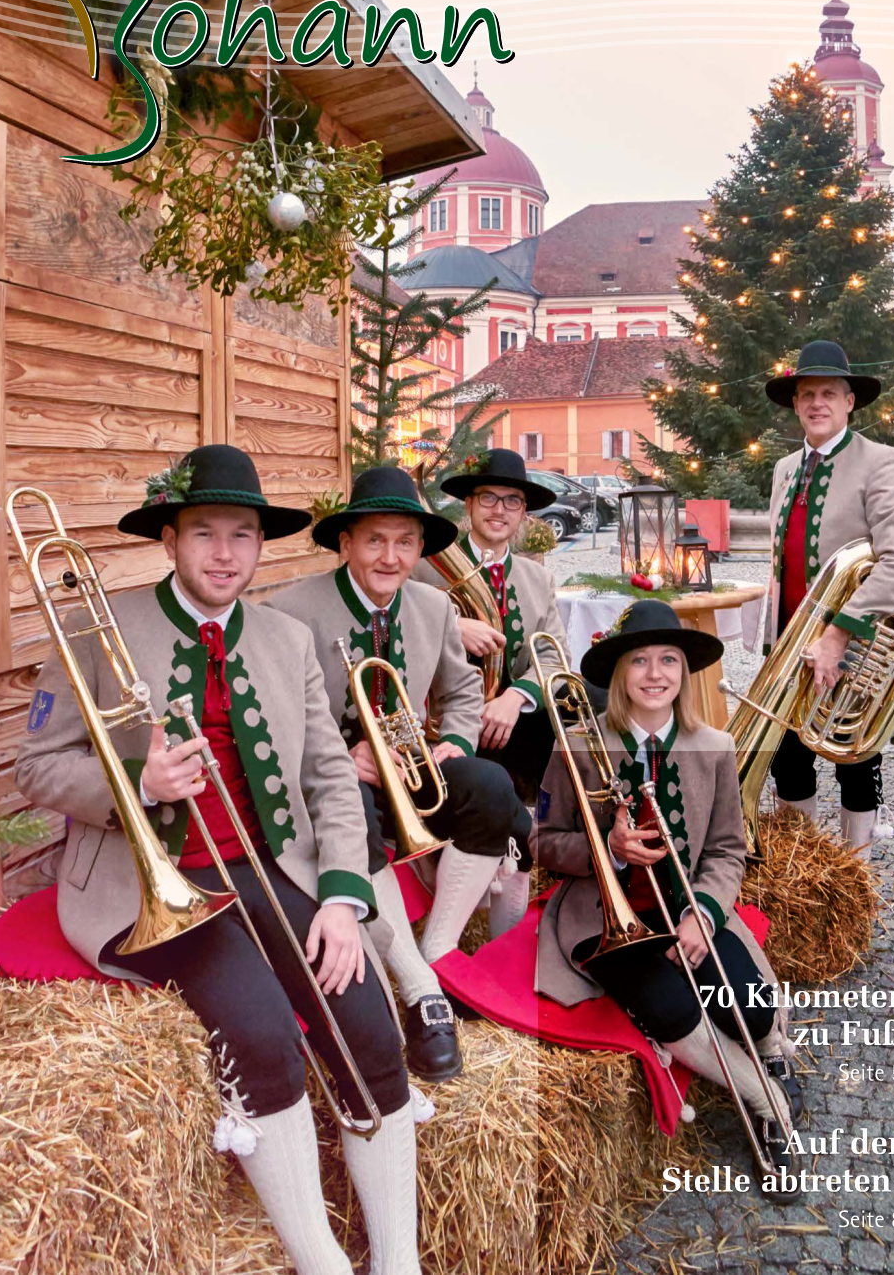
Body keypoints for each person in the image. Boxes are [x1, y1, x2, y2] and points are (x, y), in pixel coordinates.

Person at [14, 445, 422, 1275]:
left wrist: (344, 900)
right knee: (263, 1033)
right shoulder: (101, 624)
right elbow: (35, 766)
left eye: (243, 535)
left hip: (276, 867)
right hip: (152, 881)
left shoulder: (287, 637)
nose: (226, 554)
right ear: (170, 538)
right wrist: (138, 778)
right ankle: (323, 1262)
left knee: (373, 1026)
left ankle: (400, 1261)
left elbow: (331, 782)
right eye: (206, 533)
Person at [271, 466, 534, 1080]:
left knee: (493, 791)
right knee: (352, 817)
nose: (391, 558)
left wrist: (457, 744)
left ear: (421, 549)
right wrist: (344, 758)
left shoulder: (432, 605)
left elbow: (463, 691)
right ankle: (422, 991)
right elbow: (277, 723)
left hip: (415, 770)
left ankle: (440, 950)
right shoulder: (291, 612)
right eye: (375, 540)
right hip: (338, 784)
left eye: (406, 542)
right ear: (345, 544)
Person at [533, 601, 802, 1181]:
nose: (655, 674)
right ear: (620, 673)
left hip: (690, 909)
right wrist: (606, 847)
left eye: (669, 661)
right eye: (640, 661)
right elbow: (543, 843)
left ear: (685, 672)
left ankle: (772, 1050)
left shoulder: (716, 746)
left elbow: (729, 848)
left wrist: (704, 913)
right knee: (671, 1006)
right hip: (607, 917)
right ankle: (763, 1099)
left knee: (749, 1011)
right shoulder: (577, 745)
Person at [763, 340, 894, 859]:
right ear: (796, 404)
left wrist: (839, 632)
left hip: (857, 648)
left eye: (829, 394)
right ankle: (803, 874)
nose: (817, 403)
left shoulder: (881, 462)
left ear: (848, 402)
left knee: (856, 763)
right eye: (807, 394)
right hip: (792, 648)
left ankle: (854, 881)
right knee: (787, 761)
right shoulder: (783, 469)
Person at [416, 448, 568, 936]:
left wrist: (515, 696)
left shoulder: (537, 577)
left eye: (511, 501)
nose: (498, 511)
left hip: (509, 722)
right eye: (488, 498)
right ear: (468, 505)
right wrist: (450, 626)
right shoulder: (424, 571)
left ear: (524, 513)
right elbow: (395, 627)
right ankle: (499, 859)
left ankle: (549, 851)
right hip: (446, 723)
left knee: (582, 717)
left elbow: (555, 656)